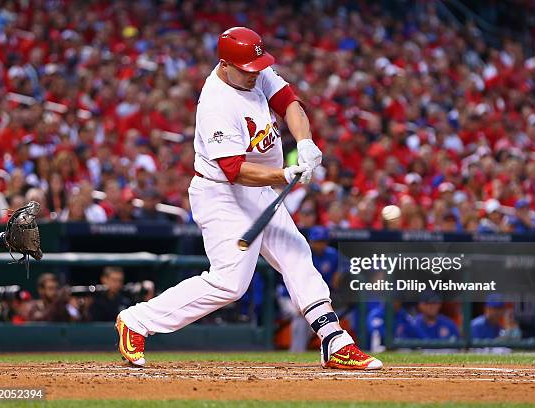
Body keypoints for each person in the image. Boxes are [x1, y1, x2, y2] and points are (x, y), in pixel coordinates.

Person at [116, 27, 382, 370]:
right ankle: (137, 320)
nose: (256, 73)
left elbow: (289, 103)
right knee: (230, 283)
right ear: (225, 65)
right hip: (221, 194)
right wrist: (284, 175)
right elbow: (234, 169)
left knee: (296, 253)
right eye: (247, 69)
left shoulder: (253, 70)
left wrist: (304, 142)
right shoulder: (216, 103)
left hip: (258, 189)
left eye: (258, 66)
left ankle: (334, 340)